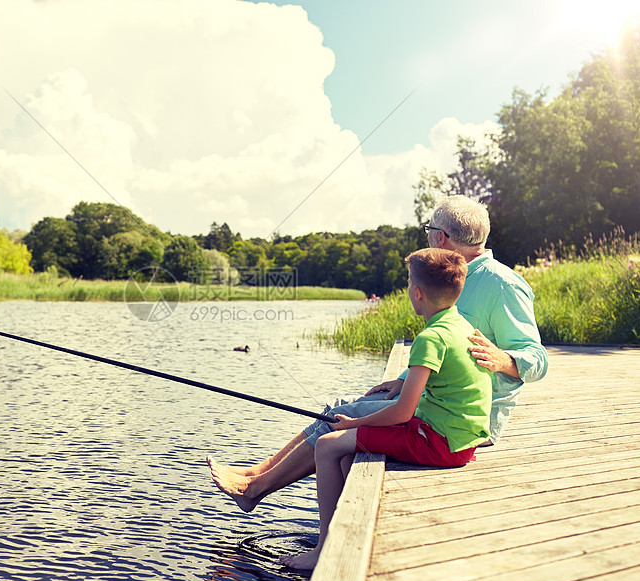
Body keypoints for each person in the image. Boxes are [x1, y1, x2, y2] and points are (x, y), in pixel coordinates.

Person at [206, 196, 548, 513]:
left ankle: (256, 489)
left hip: (462, 420)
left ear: (440, 237)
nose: (427, 236)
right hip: (433, 402)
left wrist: (503, 360)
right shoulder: (450, 276)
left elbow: (537, 360)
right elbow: (446, 351)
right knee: (338, 405)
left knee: (345, 414)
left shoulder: (502, 284)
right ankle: (257, 474)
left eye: (429, 230)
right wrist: (402, 380)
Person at [279, 248, 492, 570]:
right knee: (348, 454)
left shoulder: (431, 337)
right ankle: (341, 532)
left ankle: (323, 549)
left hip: (439, 442)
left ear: (417, 293)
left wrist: (353, 423)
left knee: (326, 446)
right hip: (460, 440)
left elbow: (402, 412)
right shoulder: (462, 326)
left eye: (409, 282)